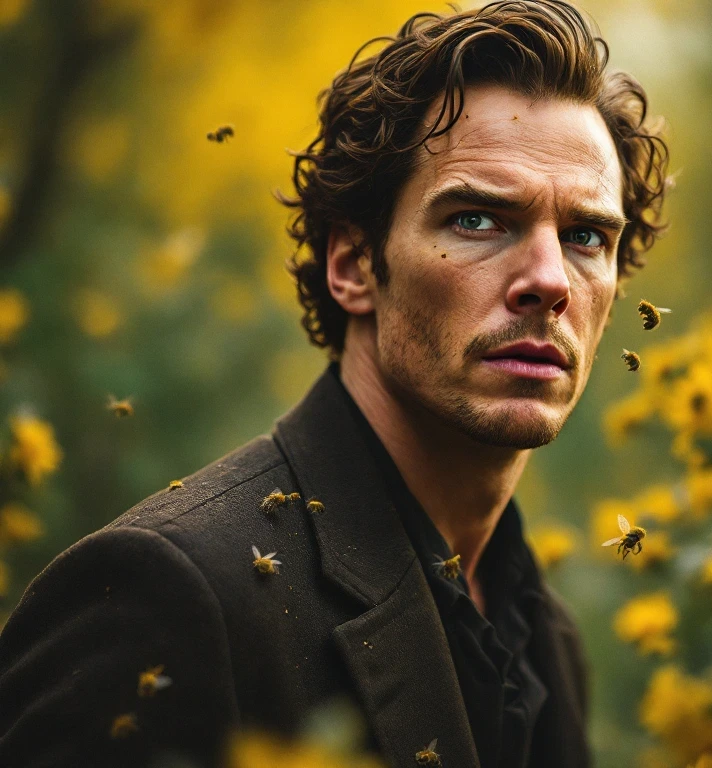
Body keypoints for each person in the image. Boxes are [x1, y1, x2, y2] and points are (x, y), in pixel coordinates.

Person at [0, 1, 669, 765]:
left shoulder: (548, 635)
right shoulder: (168, 596)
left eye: (585, 235)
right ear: (351, 266)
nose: (550, 280)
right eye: (478, 219)